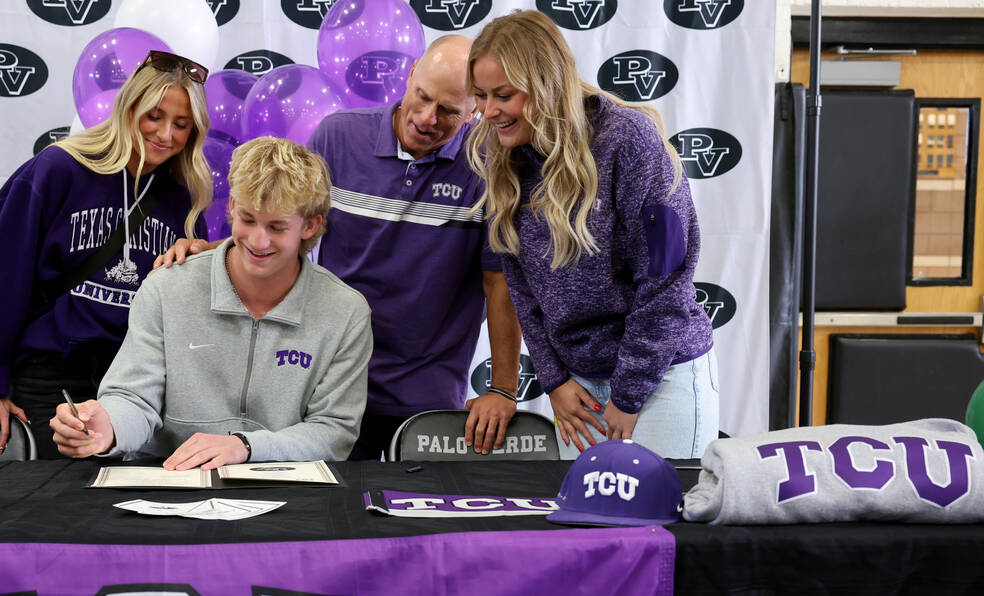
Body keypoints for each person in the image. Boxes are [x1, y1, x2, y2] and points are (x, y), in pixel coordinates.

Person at [157, 36, 522, 460]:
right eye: (422, 97)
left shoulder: (492, 165)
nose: (426, 118)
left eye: (448, 111)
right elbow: (288, 223)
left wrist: (503, 387)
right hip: (328, 379)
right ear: (411, 71)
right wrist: (216, 249)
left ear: (476, 107)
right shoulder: (338, 135)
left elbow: (499, 281)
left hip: (429, 387)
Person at [466, 10, 718, 459]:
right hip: (577, 389)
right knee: (585, 527)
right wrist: (555, 382)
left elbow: (665, 277)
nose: (489, 111)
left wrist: (628, 394)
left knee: (659, 522)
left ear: (546, 83)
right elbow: (523, 290)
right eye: (481, 95)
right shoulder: (507, 160)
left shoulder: (629, 139)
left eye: (503, 95)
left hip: (660, 377)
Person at [50, 137, 372, 468]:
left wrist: (245, 447)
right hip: (172, 482)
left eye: (276, 227)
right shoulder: (166, 287)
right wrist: (109, 426)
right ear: (231, 205)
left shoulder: (346, 312)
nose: (258, 241)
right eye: (248, 219)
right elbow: (133, 397)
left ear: (310, 225)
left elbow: (333, 433)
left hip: (287, 493)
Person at [0, 50, 213, 459]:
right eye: (154, 116)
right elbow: (4, 278)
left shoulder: (183, 202)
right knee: (46, 507)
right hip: (50, 374)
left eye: (181, 125)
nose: (166, 134)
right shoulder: (60, 169)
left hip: (132, 386)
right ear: (129, 108)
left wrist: (201, 257)